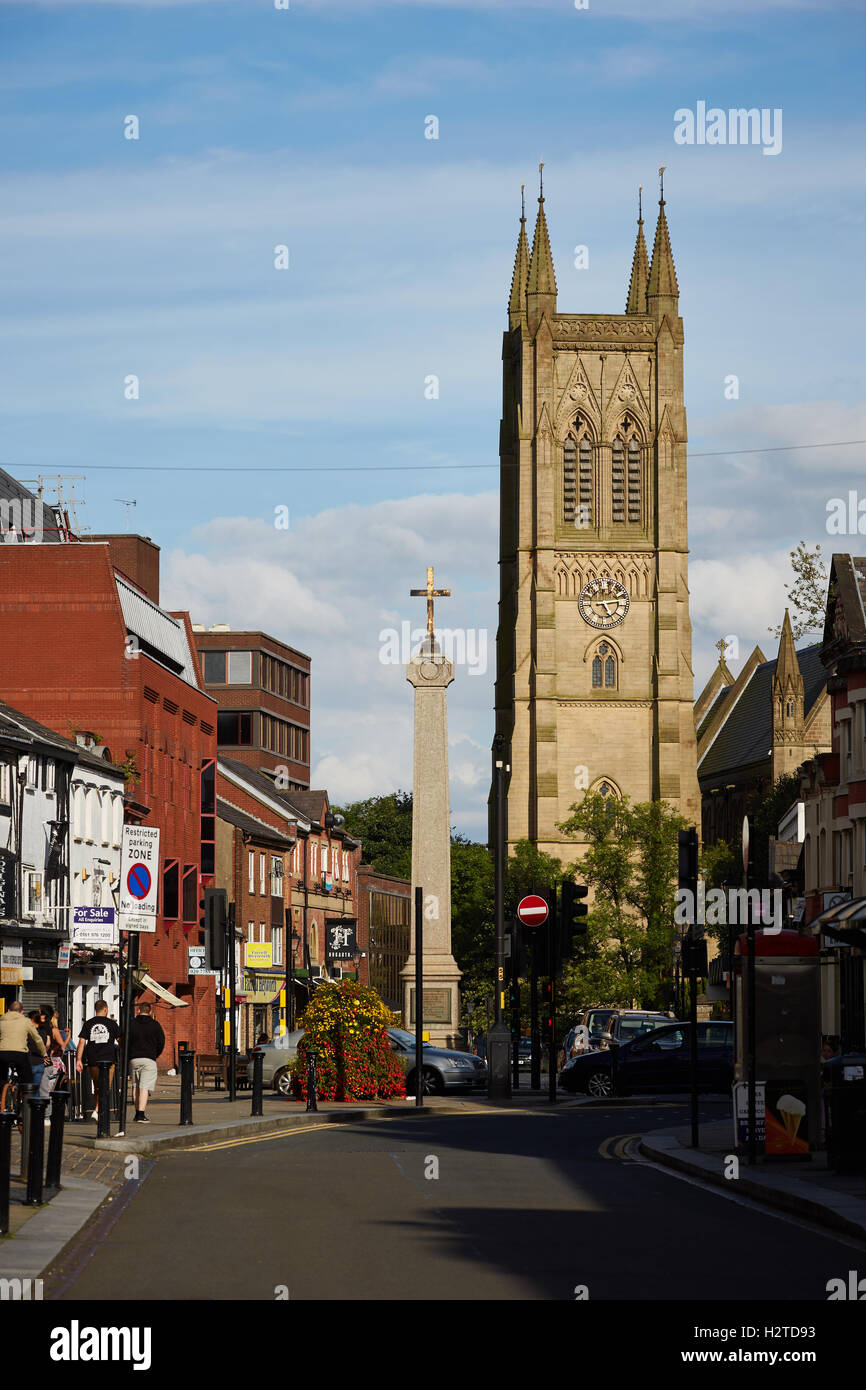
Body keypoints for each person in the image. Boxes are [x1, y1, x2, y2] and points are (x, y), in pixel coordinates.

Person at [76, 1000, 121, 1122]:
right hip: (108, 1061)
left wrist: (78, 1060)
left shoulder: (88, 1024)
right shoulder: (112, 1024)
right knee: (105, 1088)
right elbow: (120, 1040)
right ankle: (97, 1111)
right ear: (105, 1009)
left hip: (93, 1060)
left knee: (97, 1088)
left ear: (96, 1009)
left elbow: (81, 1042)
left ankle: (99, 1112)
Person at [0, 1001, 47, 1107]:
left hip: (2, 1054)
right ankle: (25, 1107)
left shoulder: (1, 1020)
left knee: (2, 1078)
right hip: (20, 1054)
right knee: (28, 1081)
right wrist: (43, 1053)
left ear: (8, 1011)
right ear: (22, 1012)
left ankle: (2, 1100)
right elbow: (37, 1039)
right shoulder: (26, 1021)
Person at [129, 1002, 165, 1123]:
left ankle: (136, 1113)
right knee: (144, 1088)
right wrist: (155, 1054)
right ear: (150, 1012)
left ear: (138, 1011)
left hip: (134, 1058)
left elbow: (126, 1040)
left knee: (135, 1086)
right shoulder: (155, 1025)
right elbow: (161, 1042)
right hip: (149, 1058)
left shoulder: (132, 1024)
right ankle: (141, 1114)